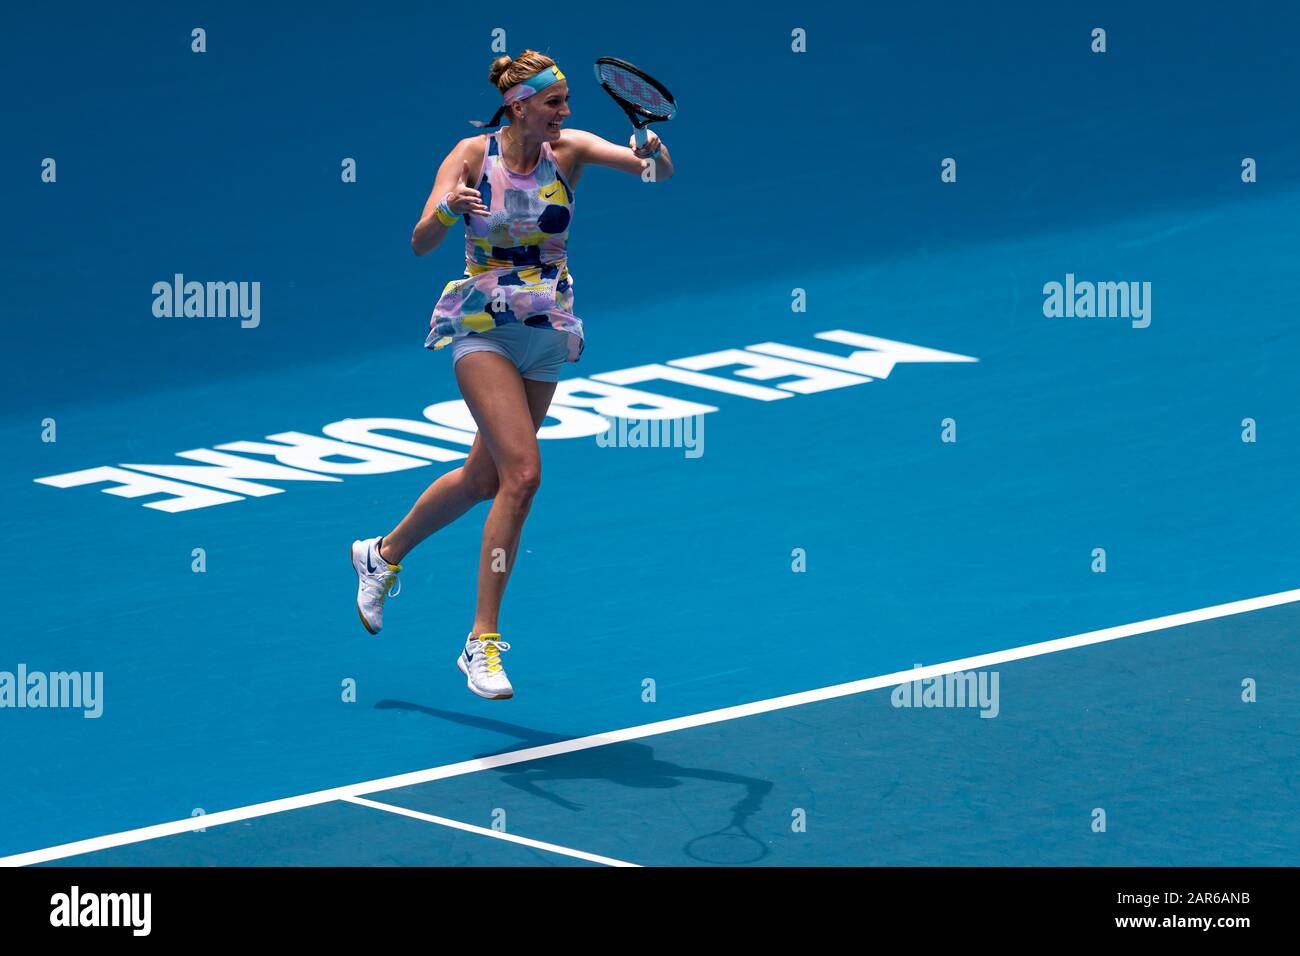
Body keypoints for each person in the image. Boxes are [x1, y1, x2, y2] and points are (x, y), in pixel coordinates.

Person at [351, 49, 673, 700]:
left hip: (547, 329)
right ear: (520, 105)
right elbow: (419, 239)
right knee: (523, 475)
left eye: (566, 102)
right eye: (555, 103)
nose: (566, 112)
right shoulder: (471, 157)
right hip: (482, 327)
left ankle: (380, 554)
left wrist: (654, 152)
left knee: (483, 478)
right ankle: (482, 643)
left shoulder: (572, 151)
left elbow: (653, 173)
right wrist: (450, 209)